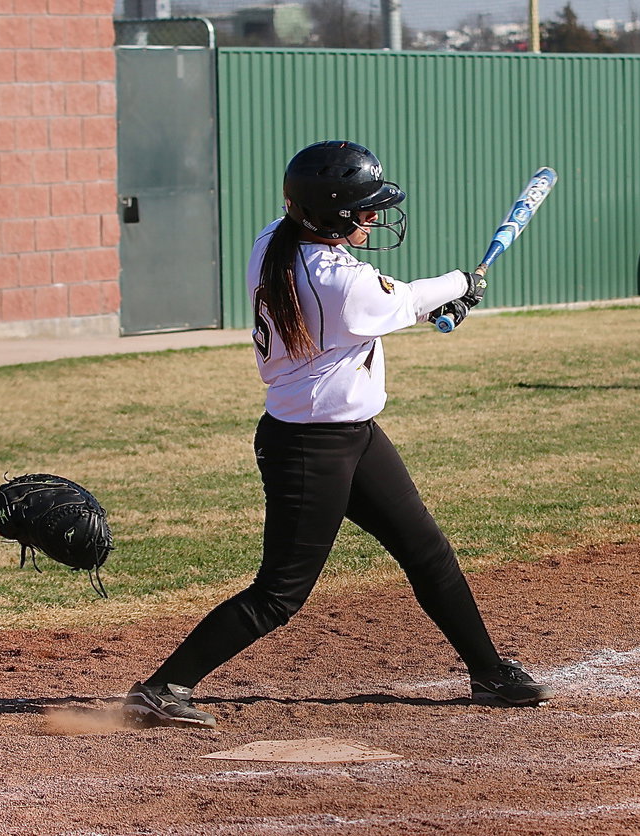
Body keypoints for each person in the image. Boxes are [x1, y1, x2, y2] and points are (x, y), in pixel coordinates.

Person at [123, 140, 555, 729]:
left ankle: (487, 672)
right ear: (328, 214)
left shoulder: (275, 240)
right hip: (309, 448)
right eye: (363, 207)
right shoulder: (336, 281)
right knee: (280, 593)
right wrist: (461, 283)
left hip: (354, 437)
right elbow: (397, 300)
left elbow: (395, 305)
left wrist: (446, 298)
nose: (373, 216)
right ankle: (161, 687)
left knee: (427, 551)